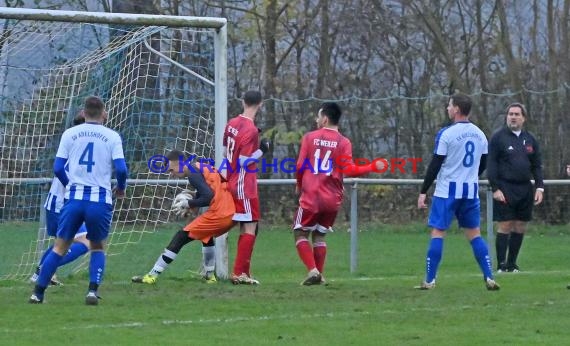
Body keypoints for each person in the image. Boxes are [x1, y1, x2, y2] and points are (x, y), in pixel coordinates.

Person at [29, 96, 128, 305]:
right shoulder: (112, 136)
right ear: (104, 113)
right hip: (99, 200)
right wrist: (120, 188)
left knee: (59, 247)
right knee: (97, 246)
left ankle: (37, 293)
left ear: (83, 113)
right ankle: (92, 292)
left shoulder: (70, 134)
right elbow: (121, 169)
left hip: (73, 199)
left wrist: (70, 184)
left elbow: (57, 168)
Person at [416, 93, 499, 291]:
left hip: (447, 192)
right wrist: (469, 175)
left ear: (457, 110)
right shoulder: (480, 134)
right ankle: (489, 277)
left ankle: (430, 280)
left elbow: (435, 164)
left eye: (449, 105)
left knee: (438, 232)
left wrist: (423, 191)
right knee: (475, 235)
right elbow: (484, 163)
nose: (447, 108)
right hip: (470, 192)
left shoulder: (447, 134)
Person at [293, 102, 383, 285]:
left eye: (318, 116)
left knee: (300, 233)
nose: (316, 120)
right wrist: (372, 166)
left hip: (311, 195)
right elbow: (348, 170)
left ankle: (312, 271)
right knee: (319, 235)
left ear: (325, 119)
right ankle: (320, 276)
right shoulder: (343, 142)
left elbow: (300, 166)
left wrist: (299, 184)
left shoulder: (310, 138)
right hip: (332, 199)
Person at [131, 150, 235, 284]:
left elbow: (208, 198)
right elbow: (211, 191)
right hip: (229, 213)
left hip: (220, 214)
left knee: (180, 236)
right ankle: (210, 277)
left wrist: (188, 203)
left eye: (171, 170)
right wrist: (194, 195)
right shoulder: (199, 167)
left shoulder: (193, 173)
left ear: (178, 164)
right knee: (206, 236)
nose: (172, 175)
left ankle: (151, 276)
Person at [29, 115, 90, 286]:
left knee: (63, 242)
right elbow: (60, 170)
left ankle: (42, 273)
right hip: (62, 205)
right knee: (87, 241)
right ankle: (43, 271)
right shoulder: (80, 148)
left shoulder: (73, 145)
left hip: (58, 203)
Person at [487, 103, 544, 273]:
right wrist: (495, 188)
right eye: (510, 114)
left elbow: (536, 165)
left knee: (520, 226)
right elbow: (491, 165)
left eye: (517, 114)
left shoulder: (530, 139)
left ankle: (512, 264)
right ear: (507, 117)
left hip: (525, 188)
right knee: (505, 225)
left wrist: (540, 187)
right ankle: (501, 265)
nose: (513, 117)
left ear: (523, 118)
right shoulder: (498, 138)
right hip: (505, 187)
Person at [222, 90, 270, 285]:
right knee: (250, 227)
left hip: (232, 181)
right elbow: (243, 161)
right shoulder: (250, 130)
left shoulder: (231, 123)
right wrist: (262, 150)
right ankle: (238, 273)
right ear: (261, 104)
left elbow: (226, 153)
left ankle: (244, 272)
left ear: (243, 102)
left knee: (248, 226)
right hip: (244, 184)